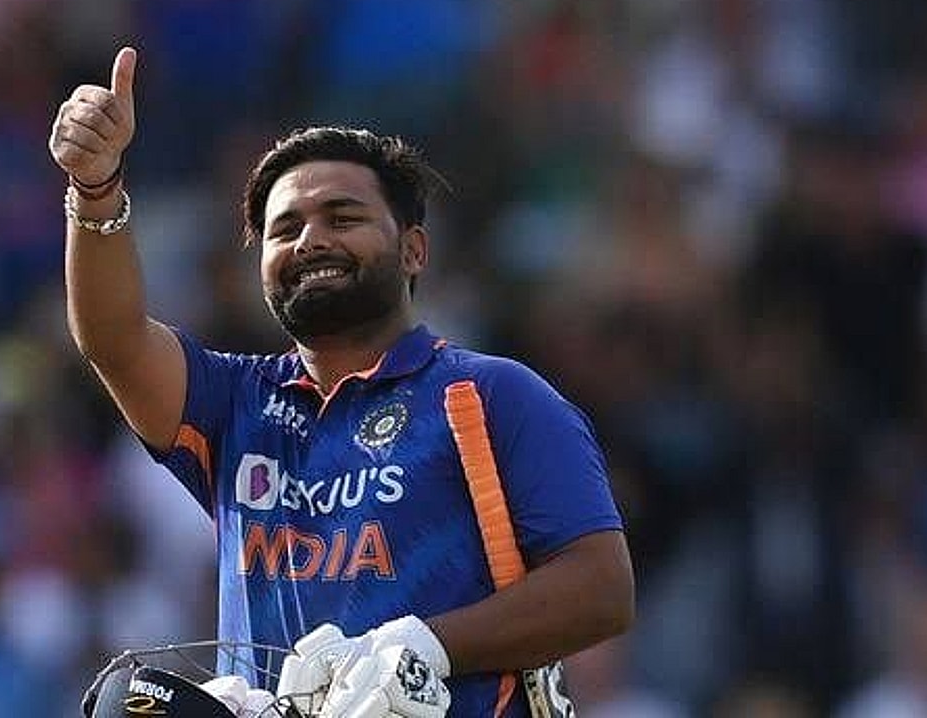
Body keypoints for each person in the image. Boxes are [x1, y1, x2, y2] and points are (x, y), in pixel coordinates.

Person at [49, 46, 635, 717]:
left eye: (343, 218)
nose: (310, 241)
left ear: (413, 249)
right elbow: (113, 340)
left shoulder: (493, 395)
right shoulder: (234, 404)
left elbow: (602, 590)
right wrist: (95, 188)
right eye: (285, 229)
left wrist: (427, 646)